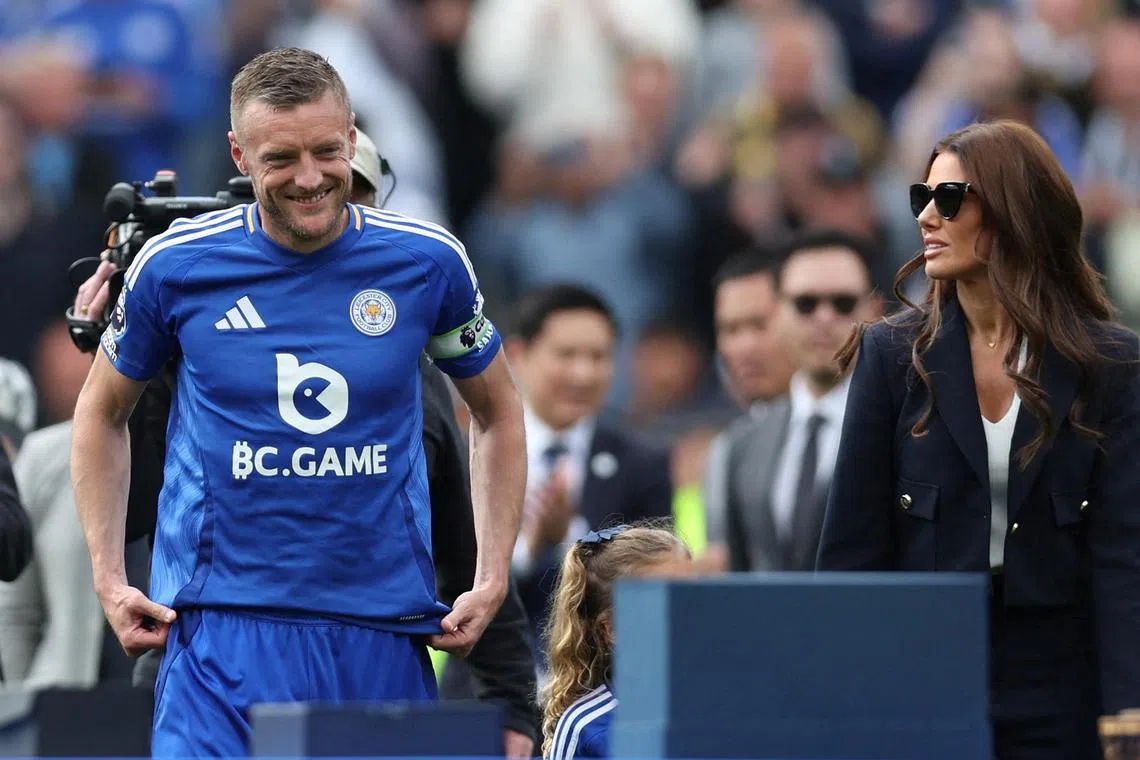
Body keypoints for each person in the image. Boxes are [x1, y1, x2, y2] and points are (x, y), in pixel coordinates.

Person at [70, 48, 526, 758]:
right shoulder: (176, 267)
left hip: (379, 630)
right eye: (281, 158)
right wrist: (108, 576)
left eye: (326, 151)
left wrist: (492, 571)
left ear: (352, 139)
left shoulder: (428, 263)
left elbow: (499, 412)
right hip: (221, 633)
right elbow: (101, 413)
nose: (310, 178)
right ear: (239, 154)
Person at [816, 120, 1140, 759]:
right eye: (921, 199)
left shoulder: (1113, 365)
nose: (928, 219)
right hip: (924, 674)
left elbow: (1124, 559)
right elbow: (852, 554)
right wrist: (844, 706)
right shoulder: (891, 356)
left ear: (1015, 211)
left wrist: (1128, 716)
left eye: (951, 199)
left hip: (1063, 679)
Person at [492, 284, 673, 687]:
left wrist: (568, 541)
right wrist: (528, 551)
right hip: (488, 694)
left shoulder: (641, 463)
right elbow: (451, 581)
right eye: (567, 355)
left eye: (598, 357)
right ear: (518, 355)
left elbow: (649, 586)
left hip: (598, 691)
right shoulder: (477, 452)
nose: (584, 373)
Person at [706, 231, 881, 573]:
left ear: (873, 310)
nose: (824, 318)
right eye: (805, 304)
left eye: (843, 303)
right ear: (779, 311)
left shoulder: (908, 430)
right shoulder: (743, 444)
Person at [541, 523, 692, 760]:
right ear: (612, 630)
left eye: (692, 596)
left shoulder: (723, 710)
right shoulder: (587, 727)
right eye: (665, 602)